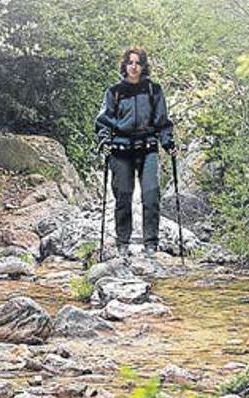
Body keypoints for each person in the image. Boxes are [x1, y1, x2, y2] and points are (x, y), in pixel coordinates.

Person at [95, 46, 176, 257]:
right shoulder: (114, 92)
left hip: (148, 148)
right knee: (123, 196)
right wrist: (104, 140)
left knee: (151, 195)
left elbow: (162, 121)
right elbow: (104, 120)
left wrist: (168, 143)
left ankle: (151, 243)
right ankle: (123, 242)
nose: (133, 67)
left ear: (143, 66)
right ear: (125, 65)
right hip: (120, 150)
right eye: (130, 62)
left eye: (138, 63)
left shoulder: (154, 90)